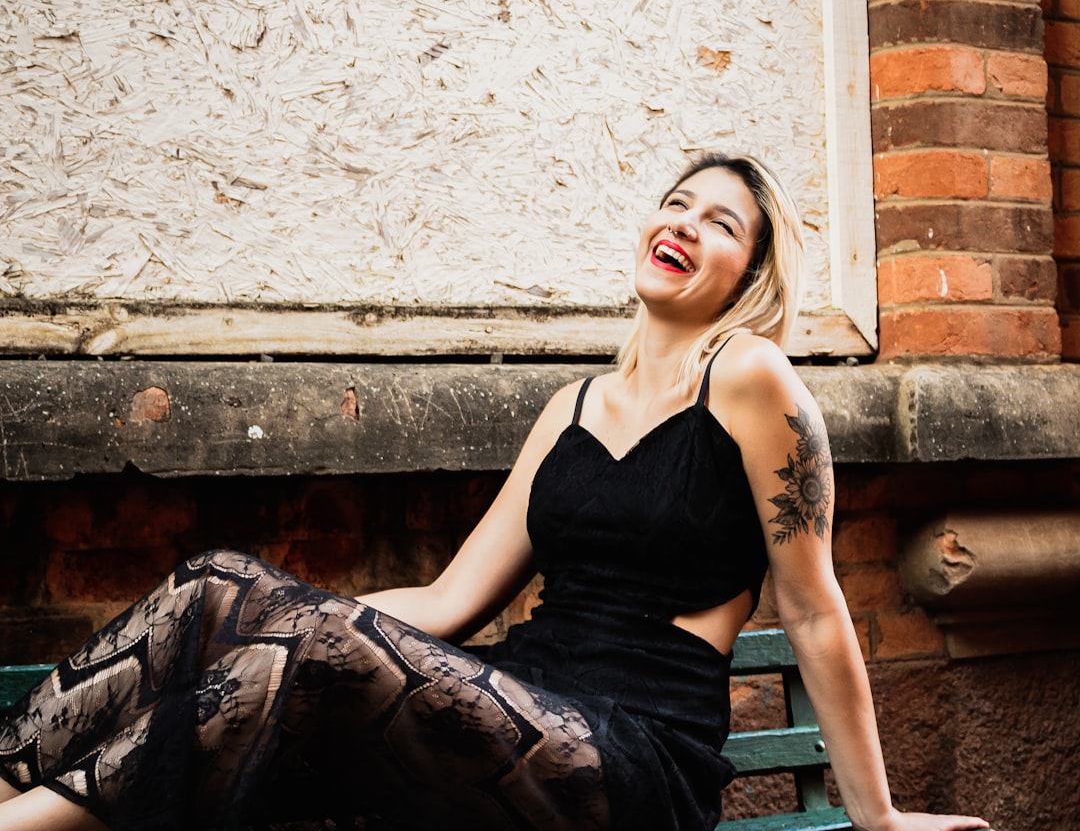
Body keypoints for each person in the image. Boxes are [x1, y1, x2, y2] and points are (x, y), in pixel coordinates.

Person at [0, 153, 989, 831]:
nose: (684, 223)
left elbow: (814, 609)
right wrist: (270, 624)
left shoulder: (752, 380)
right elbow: (445, 603)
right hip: (512, 708)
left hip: (624, 757)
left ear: (749, 275)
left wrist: (878, 815)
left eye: (720, 222)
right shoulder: (569, 408)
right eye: (676, 203)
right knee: (219, 584)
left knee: (307, 641)